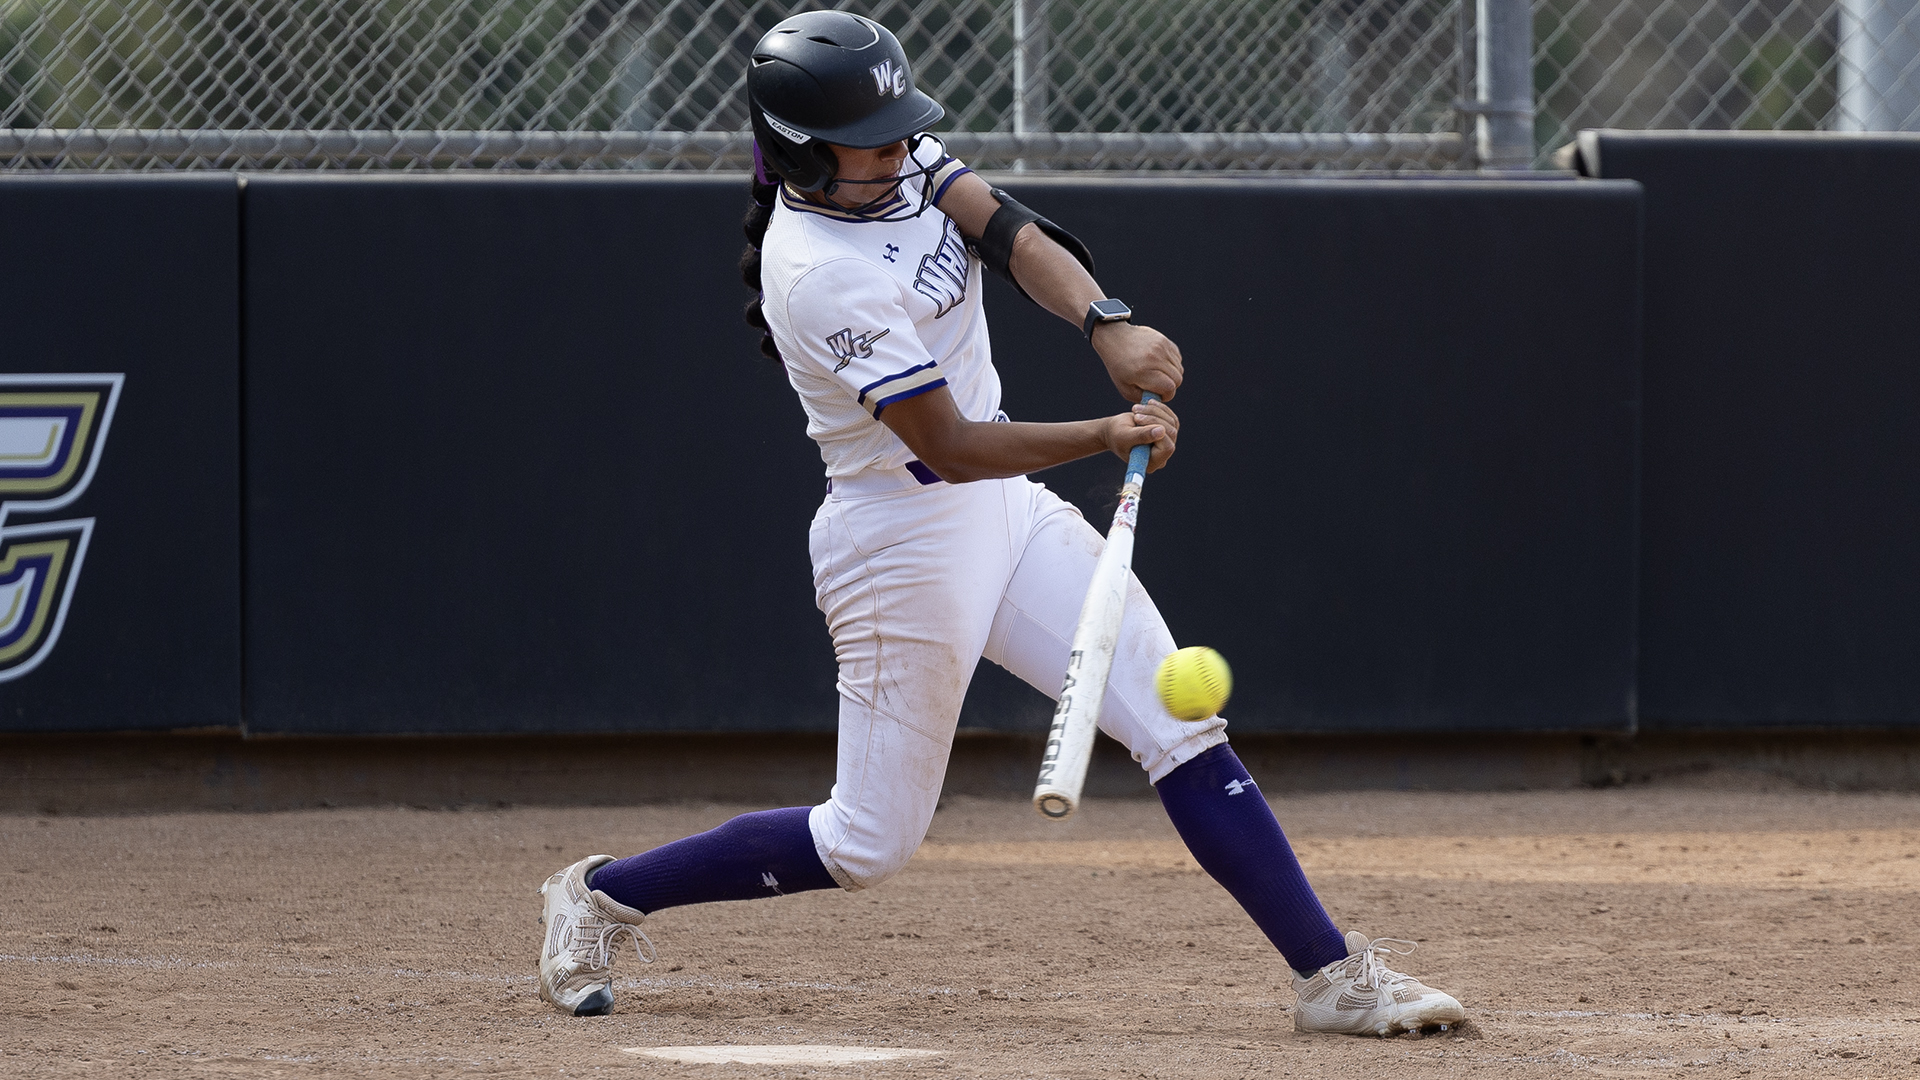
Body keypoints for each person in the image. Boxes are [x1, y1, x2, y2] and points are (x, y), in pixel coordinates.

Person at [534, 10, 1464, 1038]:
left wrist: (1106, 324)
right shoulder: (821, 273)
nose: (901, 151)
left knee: (1176, 721)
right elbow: (948, 444)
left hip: (1006, 510)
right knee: (865, 843)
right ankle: (600, 894)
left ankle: (1331, 977)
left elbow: (1006, 228)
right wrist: (1105, 431)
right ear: (803, 155)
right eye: (872, 142)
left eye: (902, 130)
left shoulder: (895, 163)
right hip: (901, 541)